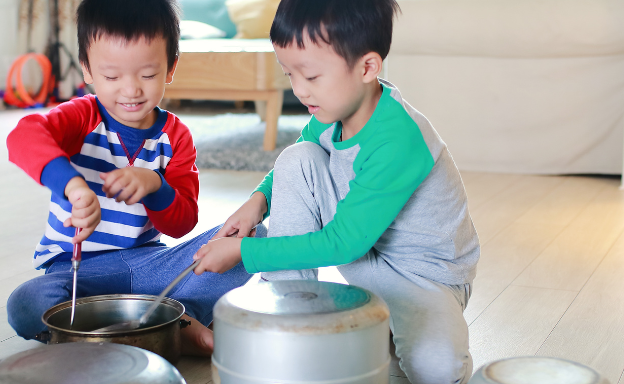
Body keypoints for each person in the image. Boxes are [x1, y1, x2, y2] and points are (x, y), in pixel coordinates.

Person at [193, 0, 480, 382]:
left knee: (436, 370)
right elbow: (292, 172)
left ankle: (398, 332)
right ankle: (287, 306)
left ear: (367, 67)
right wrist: (257, 202)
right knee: (297, 158)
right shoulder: (330, 115)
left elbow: (344, 244)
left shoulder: (397, 138)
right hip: (367, 256)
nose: (298, 90)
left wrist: (244, 252)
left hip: (424, 276)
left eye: (311, 77)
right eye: (289, 74)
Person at [4, 0, 253, 356]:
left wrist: (155, 186)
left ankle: (131, 329)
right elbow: (23, 137)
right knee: (27, 302)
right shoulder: (82, 117)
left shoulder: (175, 137)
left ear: (171, 68)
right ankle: (163, 325)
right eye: (112, 76)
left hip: (148, 264)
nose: (131, 89)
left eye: (147, 75)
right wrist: (73, 186)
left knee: (243, 243)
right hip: (77, 274)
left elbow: (183, 223)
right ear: (87, 69)